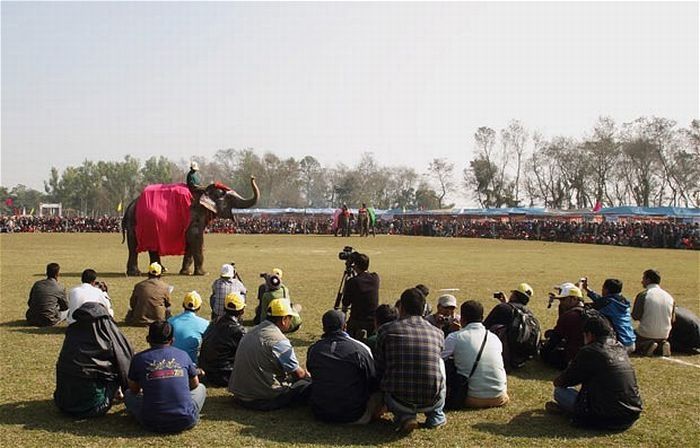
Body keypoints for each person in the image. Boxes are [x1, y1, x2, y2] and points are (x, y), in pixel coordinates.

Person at [546, 315, 643, 430]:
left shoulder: (590, 351)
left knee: (560, 392)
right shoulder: (621, 348)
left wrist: (573, 365)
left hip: (602, 417)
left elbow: (562, 382)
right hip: (630, 415)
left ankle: (569, 412)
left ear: (590, 335)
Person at [375, 287, 446, 433]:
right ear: (424, 308)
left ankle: (405, 416)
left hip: (397, 399)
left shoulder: (386, 329)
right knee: (440, 364)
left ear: (401, 307)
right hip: (431, 400)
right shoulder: (438, 333)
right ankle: (436, 416)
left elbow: (380, 365)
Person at [229, 298, 311, 411]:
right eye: (290, 318)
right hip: (261, 399)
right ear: (284, 319)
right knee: (306, 385)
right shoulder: (279, 341)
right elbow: (299, 374)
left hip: (239, 394)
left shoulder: (251, 331)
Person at [125, 320, 207, 433]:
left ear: (148, 339)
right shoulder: (183, 355)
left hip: (151, 422)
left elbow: (134, 390)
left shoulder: (139, 358)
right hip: (186, 420)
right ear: (172, 340)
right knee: (201, 388)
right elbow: (195, 384)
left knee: (128, 394)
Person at [54, 302, 133, 418]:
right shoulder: (110, 335)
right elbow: (125, 365)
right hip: (96, 407)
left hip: (63, 403)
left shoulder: (72, 333)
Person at [306, 310, 382, 424]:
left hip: (320, 413)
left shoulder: (314, 349)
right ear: (344, 326)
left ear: (324, 328)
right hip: (355, 415)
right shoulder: (360, 348)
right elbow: (372, 379)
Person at [442, 300, 508, 409]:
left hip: (472, 398)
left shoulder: (455, 337)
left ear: (462, 319)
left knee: (447, 364)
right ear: (482, 318)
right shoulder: (494, 337)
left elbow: (438, 358)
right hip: (499, 397)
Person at [483, 282, 539, 371]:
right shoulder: (529, 313)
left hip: (507, 357)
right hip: (521, 358)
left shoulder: (503, 308)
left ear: (514, 295)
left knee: (496, 328)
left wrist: (505, 305)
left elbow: (484, 327)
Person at [198, 293, 247, 387]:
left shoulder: (215, 322)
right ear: (242, 311)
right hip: (224, 375)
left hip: (207, 371)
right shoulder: (238, 331)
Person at [582, 277, 636, 353]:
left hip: (619, 345)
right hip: (631, 343)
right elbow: (600, 300)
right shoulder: (623, 301)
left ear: (606, 289)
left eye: (603, 288)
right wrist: (587, 289)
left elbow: (585, 307)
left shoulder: (606, 303)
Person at [540, 284, 587, 369]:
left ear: (574, 299)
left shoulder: (569, 316)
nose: (561, 303)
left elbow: (554, 340)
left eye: (563, 299)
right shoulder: (593, 312)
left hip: (575, 359)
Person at [632, 269, 675, 357]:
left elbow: (636, 316)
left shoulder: (644, 295)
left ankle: (646, 345)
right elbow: (673, 319)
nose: (641, 281)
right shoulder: (669, 296)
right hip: (665, 334)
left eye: (643, 278)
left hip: (645, 333)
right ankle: (662, 345)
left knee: (630, 339)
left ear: (648, 280)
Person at [341, 252, 380, 340]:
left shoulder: (352, 282)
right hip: (373, 320)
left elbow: (345, 303)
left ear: (355, 266)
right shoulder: (375, 278)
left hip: (357, 320)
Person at [168, 291, 210, 363]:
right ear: (199, 307)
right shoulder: (205, 324)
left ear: (183, 304)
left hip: (170, 361)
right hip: (190, 363)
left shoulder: (170, 321)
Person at [26, 262, 68, 327]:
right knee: (68, 311)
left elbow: (30, 303)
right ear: (57, 274)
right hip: (48, 320)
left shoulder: (37, 284)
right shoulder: (59, 287)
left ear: (46, 272)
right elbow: (65, 307)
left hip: (32, 319)